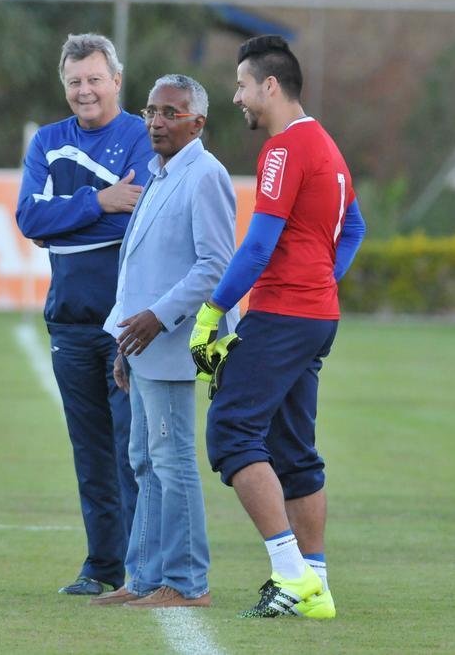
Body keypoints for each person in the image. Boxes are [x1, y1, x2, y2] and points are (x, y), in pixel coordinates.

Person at [188, 35, 367, 619]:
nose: (236, 96)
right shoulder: (327, 145)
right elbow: (355, 228)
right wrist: (322, 280)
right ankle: (316, 585)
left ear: (270, 85)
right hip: (315, 316)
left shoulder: (285, 149)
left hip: (285, 314)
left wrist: (212, 312)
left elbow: (258, 245)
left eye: (242, 85)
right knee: (293, 449)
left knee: (232, 432)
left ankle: (290, 575)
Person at [91, 75, 237, 609]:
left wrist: (158, 317)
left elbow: (216, 265)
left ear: (197, 123)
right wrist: (123, 339)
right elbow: (138, 266)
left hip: (173, 342)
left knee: (172, 461)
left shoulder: (206, 175)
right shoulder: (158, 173)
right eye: (151, 111)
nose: (156, 121)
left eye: (170, 113)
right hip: (142, 344)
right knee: (145, 460)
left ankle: (188, 581)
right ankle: (146, 576)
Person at [15, 33, 151, 596]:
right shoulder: (48, 141)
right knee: (90, 453)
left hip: (127, 326)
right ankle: (101, 567)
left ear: (116, 80)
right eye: (75, 81)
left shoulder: (140, 135)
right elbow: (29, 218)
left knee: (132, 452)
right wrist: (99, 201)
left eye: (95, 79)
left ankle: (145, 571)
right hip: (69, 322)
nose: (85, 90)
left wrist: (63, 221)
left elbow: (136, 216)